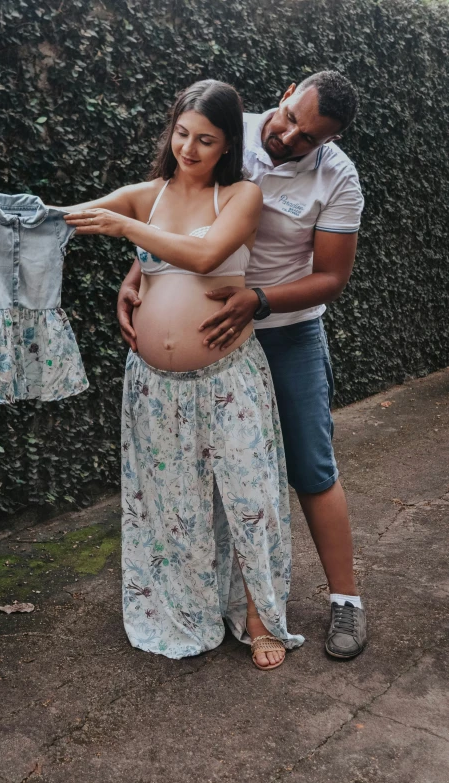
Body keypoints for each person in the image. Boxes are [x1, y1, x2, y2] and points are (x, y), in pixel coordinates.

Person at [0, 79, 304, 669]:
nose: (189, 149)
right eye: (182, 134)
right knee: (172, 502)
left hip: (229, 379)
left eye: (206, 140)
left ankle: (260, 616)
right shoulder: (150, 193)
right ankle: (187, 611)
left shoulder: (244, 197)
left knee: (250, 497)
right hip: (154, 383)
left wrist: (128, 231)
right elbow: (64, 218)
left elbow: (205, 254)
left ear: (226, 146)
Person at [118, 71, 368, 659]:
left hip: (284, 332)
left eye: (307, 137)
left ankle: (346, 603)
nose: (287, 136)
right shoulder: (227, 131)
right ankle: (216, 598)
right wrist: (138, 274)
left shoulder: (338, 180)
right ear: (284, 95)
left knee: (311, 465)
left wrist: (258, 302)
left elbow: (331, 277)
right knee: (197, 476)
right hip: (209, 335)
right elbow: (169, 207)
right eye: (288, 119)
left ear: (328, 141)